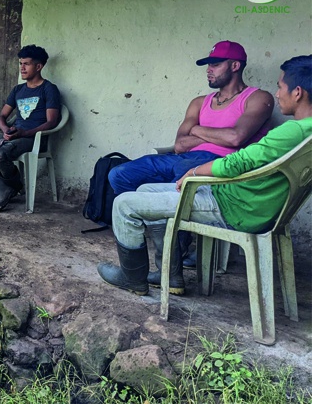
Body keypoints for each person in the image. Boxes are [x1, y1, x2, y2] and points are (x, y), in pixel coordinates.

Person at [96, 55, 312, 297]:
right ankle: (170, 273)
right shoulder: (307, 133)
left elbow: (239, 161)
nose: (277, 92)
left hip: (234, 207)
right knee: (145, 191)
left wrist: (195, 172)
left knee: (123, 204)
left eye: (280, 86)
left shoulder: (293, 129)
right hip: (249, 202)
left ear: (298, 93)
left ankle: (131, 278)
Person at [108, 40, 274, 272]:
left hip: (219, 165)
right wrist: (216, 135)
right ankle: (166, 243)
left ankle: (171, 259)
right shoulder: (200, 102)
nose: (209, 69)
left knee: (178, 176)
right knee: (120, 174)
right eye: (208, 65)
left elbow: (236, 138)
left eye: (215, 64)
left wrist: (197, 130)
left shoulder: (257, 98)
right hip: (182, 158)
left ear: (235, 66)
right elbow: (179, 144)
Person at [0, 45, 62, 212]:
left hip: (33, 139)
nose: (22, 68)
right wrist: (5, 130)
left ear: (38, 66)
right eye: (20, 63)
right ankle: (2, 188)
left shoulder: (49, 89)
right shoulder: (18, 90)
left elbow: (52, 122)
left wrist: (25, 132)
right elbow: (1, 116)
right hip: (13, 134)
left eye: (26, 64)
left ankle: (10, 187)